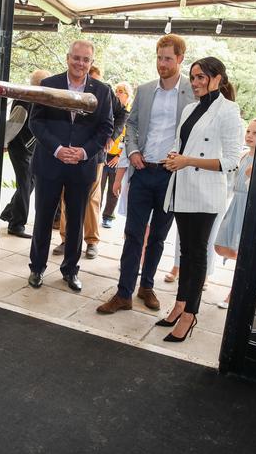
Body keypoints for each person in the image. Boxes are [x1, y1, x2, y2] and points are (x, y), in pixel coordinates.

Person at [97, 34, 196, 314]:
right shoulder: (145, 89)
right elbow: (132, 125)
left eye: (168, 58)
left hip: (170, 176)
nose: (162, 63)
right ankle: (123, 293)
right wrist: (134, 152)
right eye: (159, 57)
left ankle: (147, 287)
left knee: (158, 238)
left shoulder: (193, 92)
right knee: (133, 234)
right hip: (142, 172)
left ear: (180, 59)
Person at [157, 57, 243, 342]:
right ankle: (180, 304)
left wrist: (187, 161)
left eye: (201, 77)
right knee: (185, 253)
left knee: (197, 254)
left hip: (206, 193)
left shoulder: (229, 111)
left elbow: (231, 161)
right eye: (193, 77)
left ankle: (191, 314)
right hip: (183, 187)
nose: (195, 83)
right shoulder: (190, 109)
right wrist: (172, 158)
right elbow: (179, 145)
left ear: (217, 78)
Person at [28, 40, 113, 291]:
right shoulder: (48, 85)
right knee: (43, 218)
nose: (81, 63)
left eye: (86, 60)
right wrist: (58, 149)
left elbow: (106, 127)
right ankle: (37, 268)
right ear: (68, 58)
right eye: (76, 58)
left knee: (76, 222)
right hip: (49, 164)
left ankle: (71, 271)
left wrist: (84, 152)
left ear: (91, 62)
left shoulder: (102, 90)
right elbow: (36, 122)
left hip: (82, 166)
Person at [53, 66, 127, 258]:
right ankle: (65, 239)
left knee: (92, 199)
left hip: (94, 155)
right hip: (68, 154)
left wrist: (111, 136)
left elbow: (122, 115)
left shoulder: (105, 91)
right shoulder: (65, 90)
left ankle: (91, 241)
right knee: (65, 197)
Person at [0, 69, 51, 238]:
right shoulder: (25, 99)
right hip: (20, 148)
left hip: (28, 148)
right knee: (26, 184)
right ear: (41, 83)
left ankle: (9, 213)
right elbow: (14, 123)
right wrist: (4, 142)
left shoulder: (35, 98)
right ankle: (16, 225)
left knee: (30, 182)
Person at [214, 118, 256, 308]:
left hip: (248, 208)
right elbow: (230, 182)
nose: (249, 135)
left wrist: (253, 177)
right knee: (220, 246)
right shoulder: (242, 156)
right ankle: (251, 267)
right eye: (248, 131)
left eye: (255, 133)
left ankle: (234, 294)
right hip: (235, 204)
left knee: (241, 250)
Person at [101, 81, 133, 228]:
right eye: (117, 90)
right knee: (98, 188)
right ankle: (93, 213)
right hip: (104, 154)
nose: (118, 93)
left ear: (128, 95)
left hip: (118, 157)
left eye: (121, 91)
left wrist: (119, 156)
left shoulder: (130, 113)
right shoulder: (110, 109)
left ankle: (108, 216)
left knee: (114, 188)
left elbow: (130, 139)